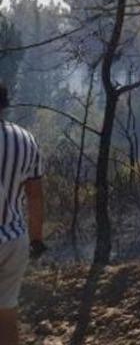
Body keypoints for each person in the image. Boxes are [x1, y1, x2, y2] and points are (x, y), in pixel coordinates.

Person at [0, 84, 44, 345]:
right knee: (6, 315)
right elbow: (35, 196)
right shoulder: (25, 139)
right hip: (14, 240)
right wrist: (37, 239)